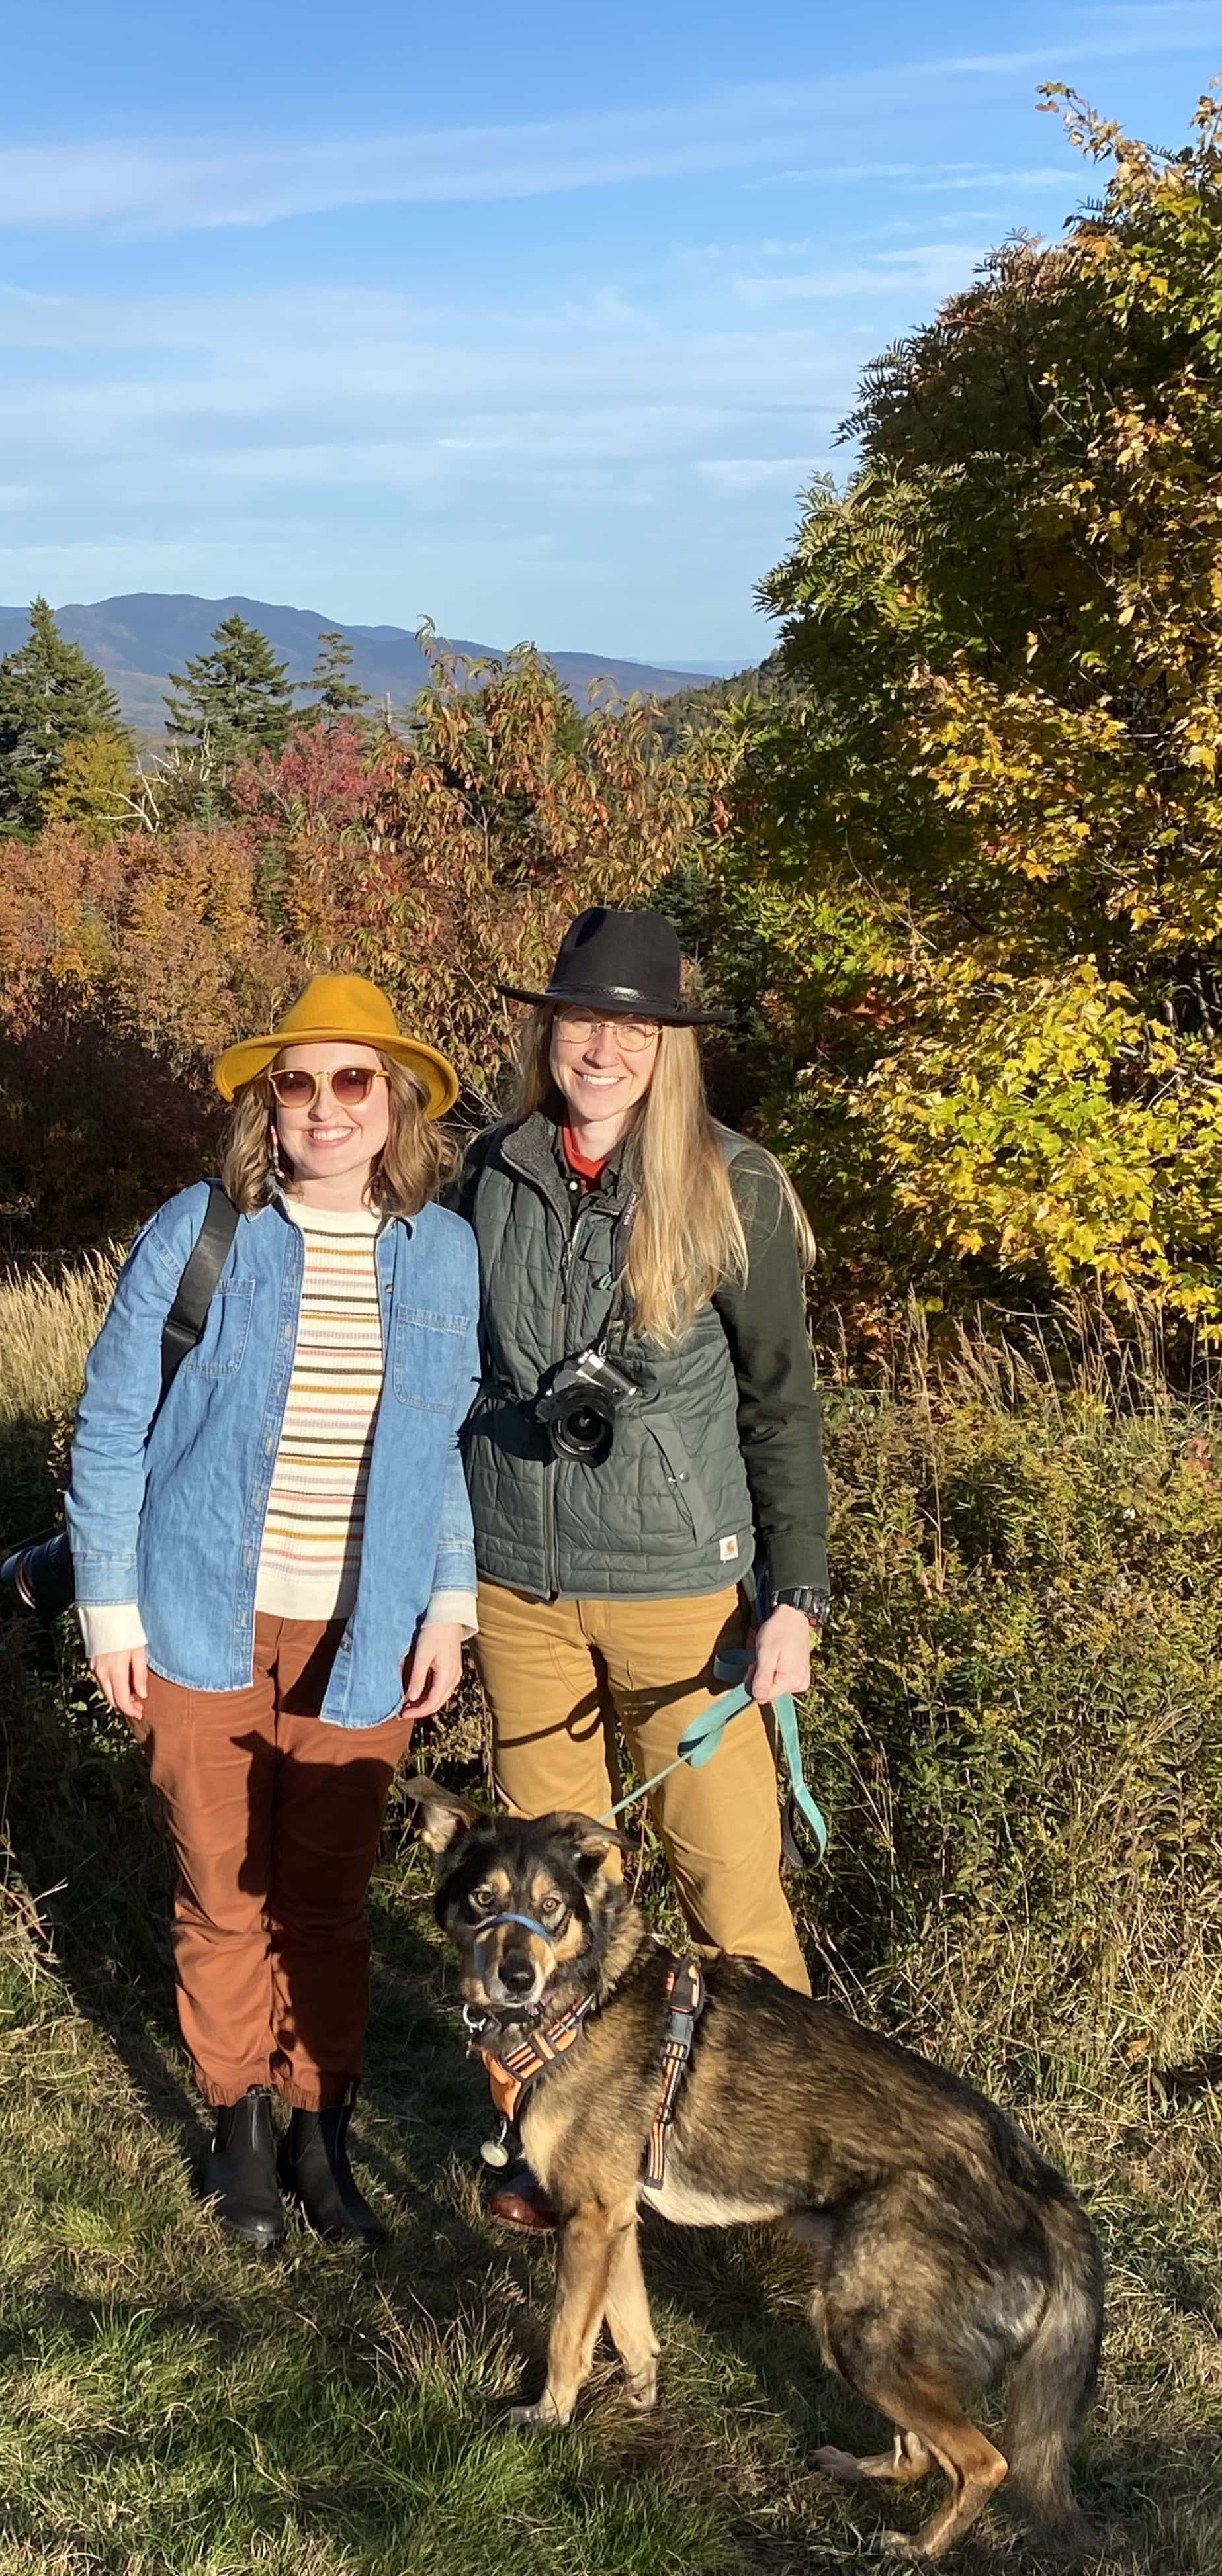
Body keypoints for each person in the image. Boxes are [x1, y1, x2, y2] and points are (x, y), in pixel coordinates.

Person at [65, 974, 480, 2249]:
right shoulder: (202, 1233)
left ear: (398, 1101)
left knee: (328, 1901)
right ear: (267, 1106)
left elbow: (443, 1442)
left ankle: (322, 2132)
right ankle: (239, 2125)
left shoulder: (443, 1253)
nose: (325, 1107)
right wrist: (109, 1611)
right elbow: (112, 1430)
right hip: (200, 1614)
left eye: (354, 1080)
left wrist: (449, 1603)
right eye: (296, 1082)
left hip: (365, 1632)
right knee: (219, 1894)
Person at [453, 906, 830, 2228]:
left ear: (670, 1044)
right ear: (546, 1029)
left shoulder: (736, 1188)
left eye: (631, 1025)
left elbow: (783, 1407)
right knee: (544, 1916)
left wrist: (796, 1596)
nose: (600, 1047)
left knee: (732, 1887)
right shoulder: (489, 1172)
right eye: (579, 1020)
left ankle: (781, 2174)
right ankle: (545, 2152)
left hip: (686, 1598)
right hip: (518, 1588)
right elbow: (450, 1371)